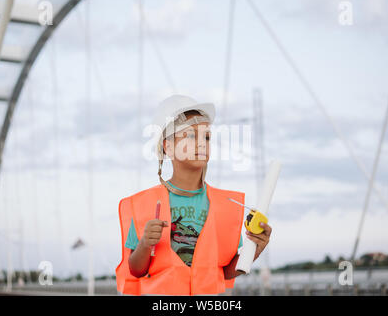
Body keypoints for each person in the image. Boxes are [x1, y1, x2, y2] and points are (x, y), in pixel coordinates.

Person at [115, 95, 272, 295]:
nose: (201, 143)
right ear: (168, 146)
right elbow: (136, 270)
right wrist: (145, 244)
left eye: (206, 137)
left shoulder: (224, 206)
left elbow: (224, 271)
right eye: (190, 136)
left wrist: (254, 249)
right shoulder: (144, 205)